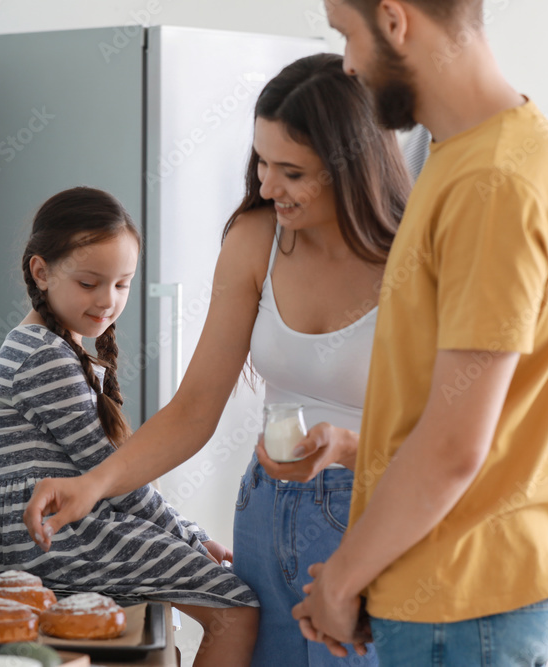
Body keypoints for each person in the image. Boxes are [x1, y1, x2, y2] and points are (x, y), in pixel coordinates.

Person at [22, 54, 411, 666]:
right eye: (260, 161)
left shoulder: (417, 257)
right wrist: (91, 486)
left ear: (350, 168)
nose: (264, 186)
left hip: (378, 516)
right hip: (269, 511)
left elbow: (445, 431)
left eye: (291, 170)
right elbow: (197, 406)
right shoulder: (256, 239)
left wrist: (349, 445)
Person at [290, 1, 548, 664]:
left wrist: (341, 577)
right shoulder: (463, 156)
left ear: (395, 21)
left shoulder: (494, 182)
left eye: (347, 34)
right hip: (445, 588)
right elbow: (455, 406)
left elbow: (457, 445)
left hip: (465, 595)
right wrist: (357, 449)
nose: (346, 62)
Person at [0, 186, 259, 667]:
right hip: (53, 534)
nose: (108, 299)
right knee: (238, 610)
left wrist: (184, 533)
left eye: (122, 284)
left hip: (34, 532)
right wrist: (188, 536)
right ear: (42, 271)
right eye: (89, 283)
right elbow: (115, 479)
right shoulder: (46, 359)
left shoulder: (42, 347)